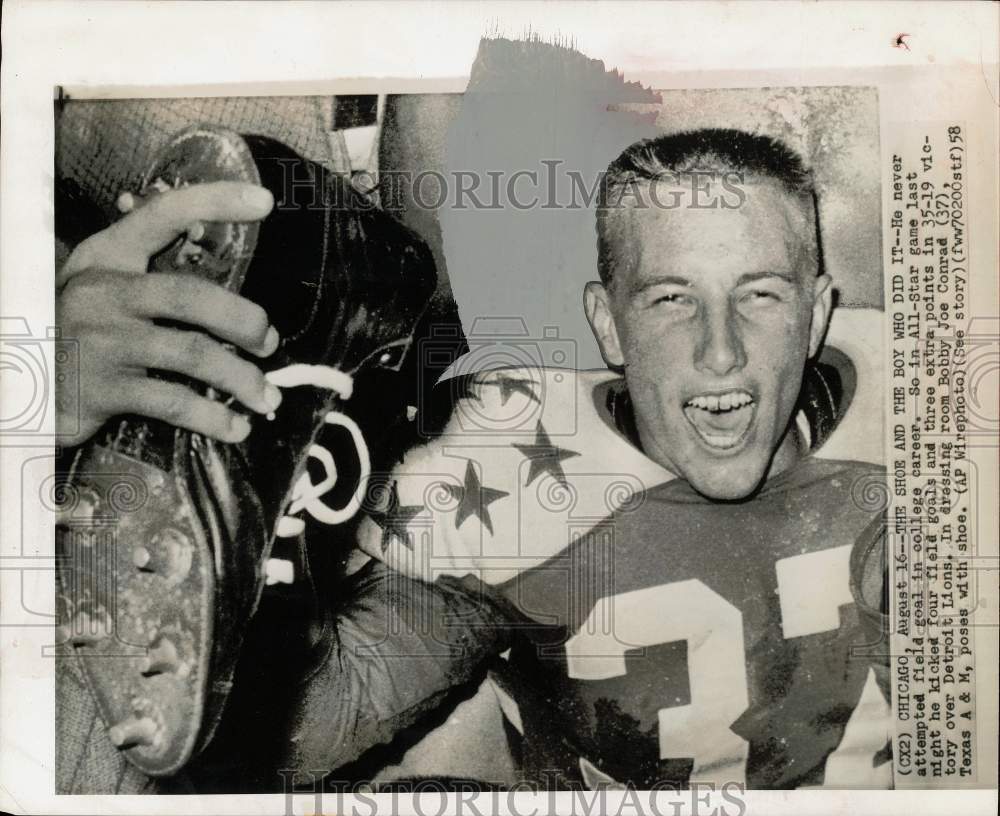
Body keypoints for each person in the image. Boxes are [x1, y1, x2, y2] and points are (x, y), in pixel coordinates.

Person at [57, 129, 890, 791]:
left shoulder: (919, 418)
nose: (720, 353)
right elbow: (297, 735)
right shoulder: (517, 481)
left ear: (818, 313)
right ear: (607, 324)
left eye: (762, 295)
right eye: (671, 298)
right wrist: (272, 560)